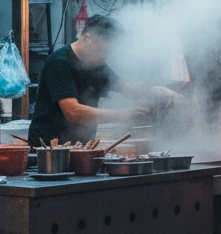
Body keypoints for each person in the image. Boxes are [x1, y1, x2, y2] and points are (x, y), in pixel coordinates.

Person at [29, 15, 179, 146]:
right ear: (87, 38)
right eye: (103, 50)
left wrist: (156, 91)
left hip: (81, 147)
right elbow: (72, 111)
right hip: (48, 149)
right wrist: (123, 115)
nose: (106, 56)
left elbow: (125, 86)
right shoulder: (60, 63)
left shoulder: (95, 63)